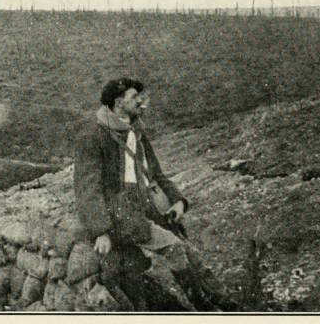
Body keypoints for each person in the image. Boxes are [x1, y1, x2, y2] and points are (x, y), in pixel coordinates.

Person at [74, 77, 232, 310]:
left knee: (191, 255)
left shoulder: (136, 131)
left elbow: (156, 174)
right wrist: (101, 231)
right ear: (118, 102)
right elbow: (88, 189)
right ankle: (204, 308)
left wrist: (177, 200)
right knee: (175, 247)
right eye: (134, 97)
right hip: (122, 216)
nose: (141, 102)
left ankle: (230, 306)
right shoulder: (93, 136)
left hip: (149, 206)